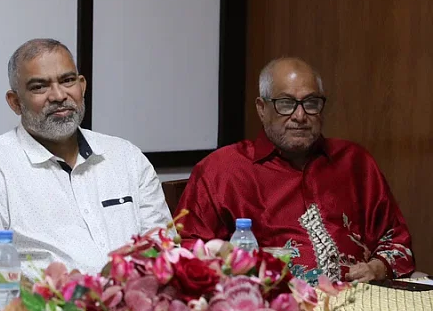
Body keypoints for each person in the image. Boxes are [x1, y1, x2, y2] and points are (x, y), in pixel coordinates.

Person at [0, 38, 172, 290]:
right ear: (15, 102)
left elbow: (164, 246)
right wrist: (52, 297)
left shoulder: (127, 157)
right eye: (40, 87)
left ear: (82, 86)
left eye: (67, 81)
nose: (59, 96)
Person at [177, 57, 414, 284]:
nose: (300, 116)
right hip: (271, 308)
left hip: (360, 301)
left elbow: (397, 244)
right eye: (286, 104)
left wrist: (378, 266)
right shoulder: (223, 170)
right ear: (262, 108)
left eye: (310, 103)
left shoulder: (354, 163)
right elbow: (186, 253)